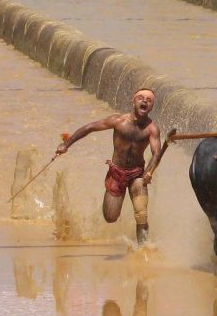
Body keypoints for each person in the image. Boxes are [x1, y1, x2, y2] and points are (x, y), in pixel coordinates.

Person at [55, 89, 162, 246]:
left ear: (151, 106)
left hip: (137, 174)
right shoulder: (118, 121)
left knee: (141, 214)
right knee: (110, 217)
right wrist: (66, 144)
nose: (144, 101)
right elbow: (89, 127)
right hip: (117, 173)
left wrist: (149, 172)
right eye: (141, 98)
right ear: (133, 101)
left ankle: (143, 250)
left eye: (149, 100)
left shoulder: (152, 129)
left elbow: (156, 153)